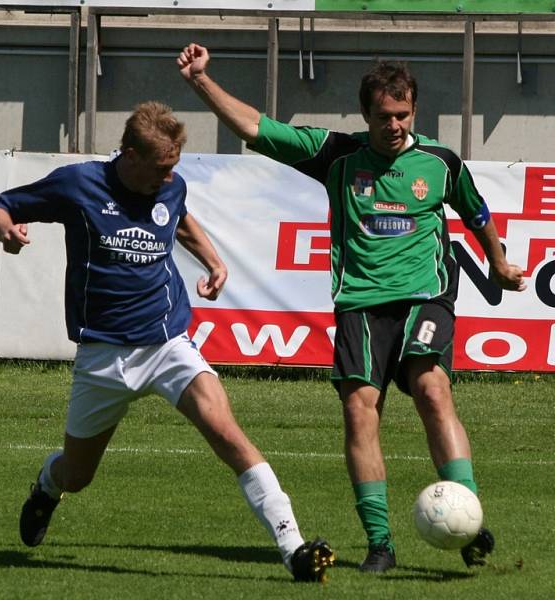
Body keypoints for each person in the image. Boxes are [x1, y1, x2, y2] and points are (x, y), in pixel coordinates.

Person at [177, 43, 526, 573]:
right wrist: (201, 80)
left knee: (432, 386)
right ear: (365, 115)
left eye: (403, 115)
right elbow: (255, 128)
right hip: (360, 304)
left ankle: (469, 516)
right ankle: (380, 542)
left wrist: (497, 260)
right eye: (383, 116)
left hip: (424, 296)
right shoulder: (337, 154)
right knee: (360, 408)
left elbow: (475, 210)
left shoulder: (439, 162)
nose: (394, 125)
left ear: (415, 111)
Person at [0, 101, 335, 582]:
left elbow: (181, 217)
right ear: (128, 154)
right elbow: (5, 204)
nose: (167, 178)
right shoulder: (79, 184)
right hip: (103, 355)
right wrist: (5, 231)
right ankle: (48, 487)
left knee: (227, 434)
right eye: (158, 169)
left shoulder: (171, 185)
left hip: (168, 342)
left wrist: (214, 262)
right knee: (78, 475)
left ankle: (293, 548)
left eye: (173, 167)